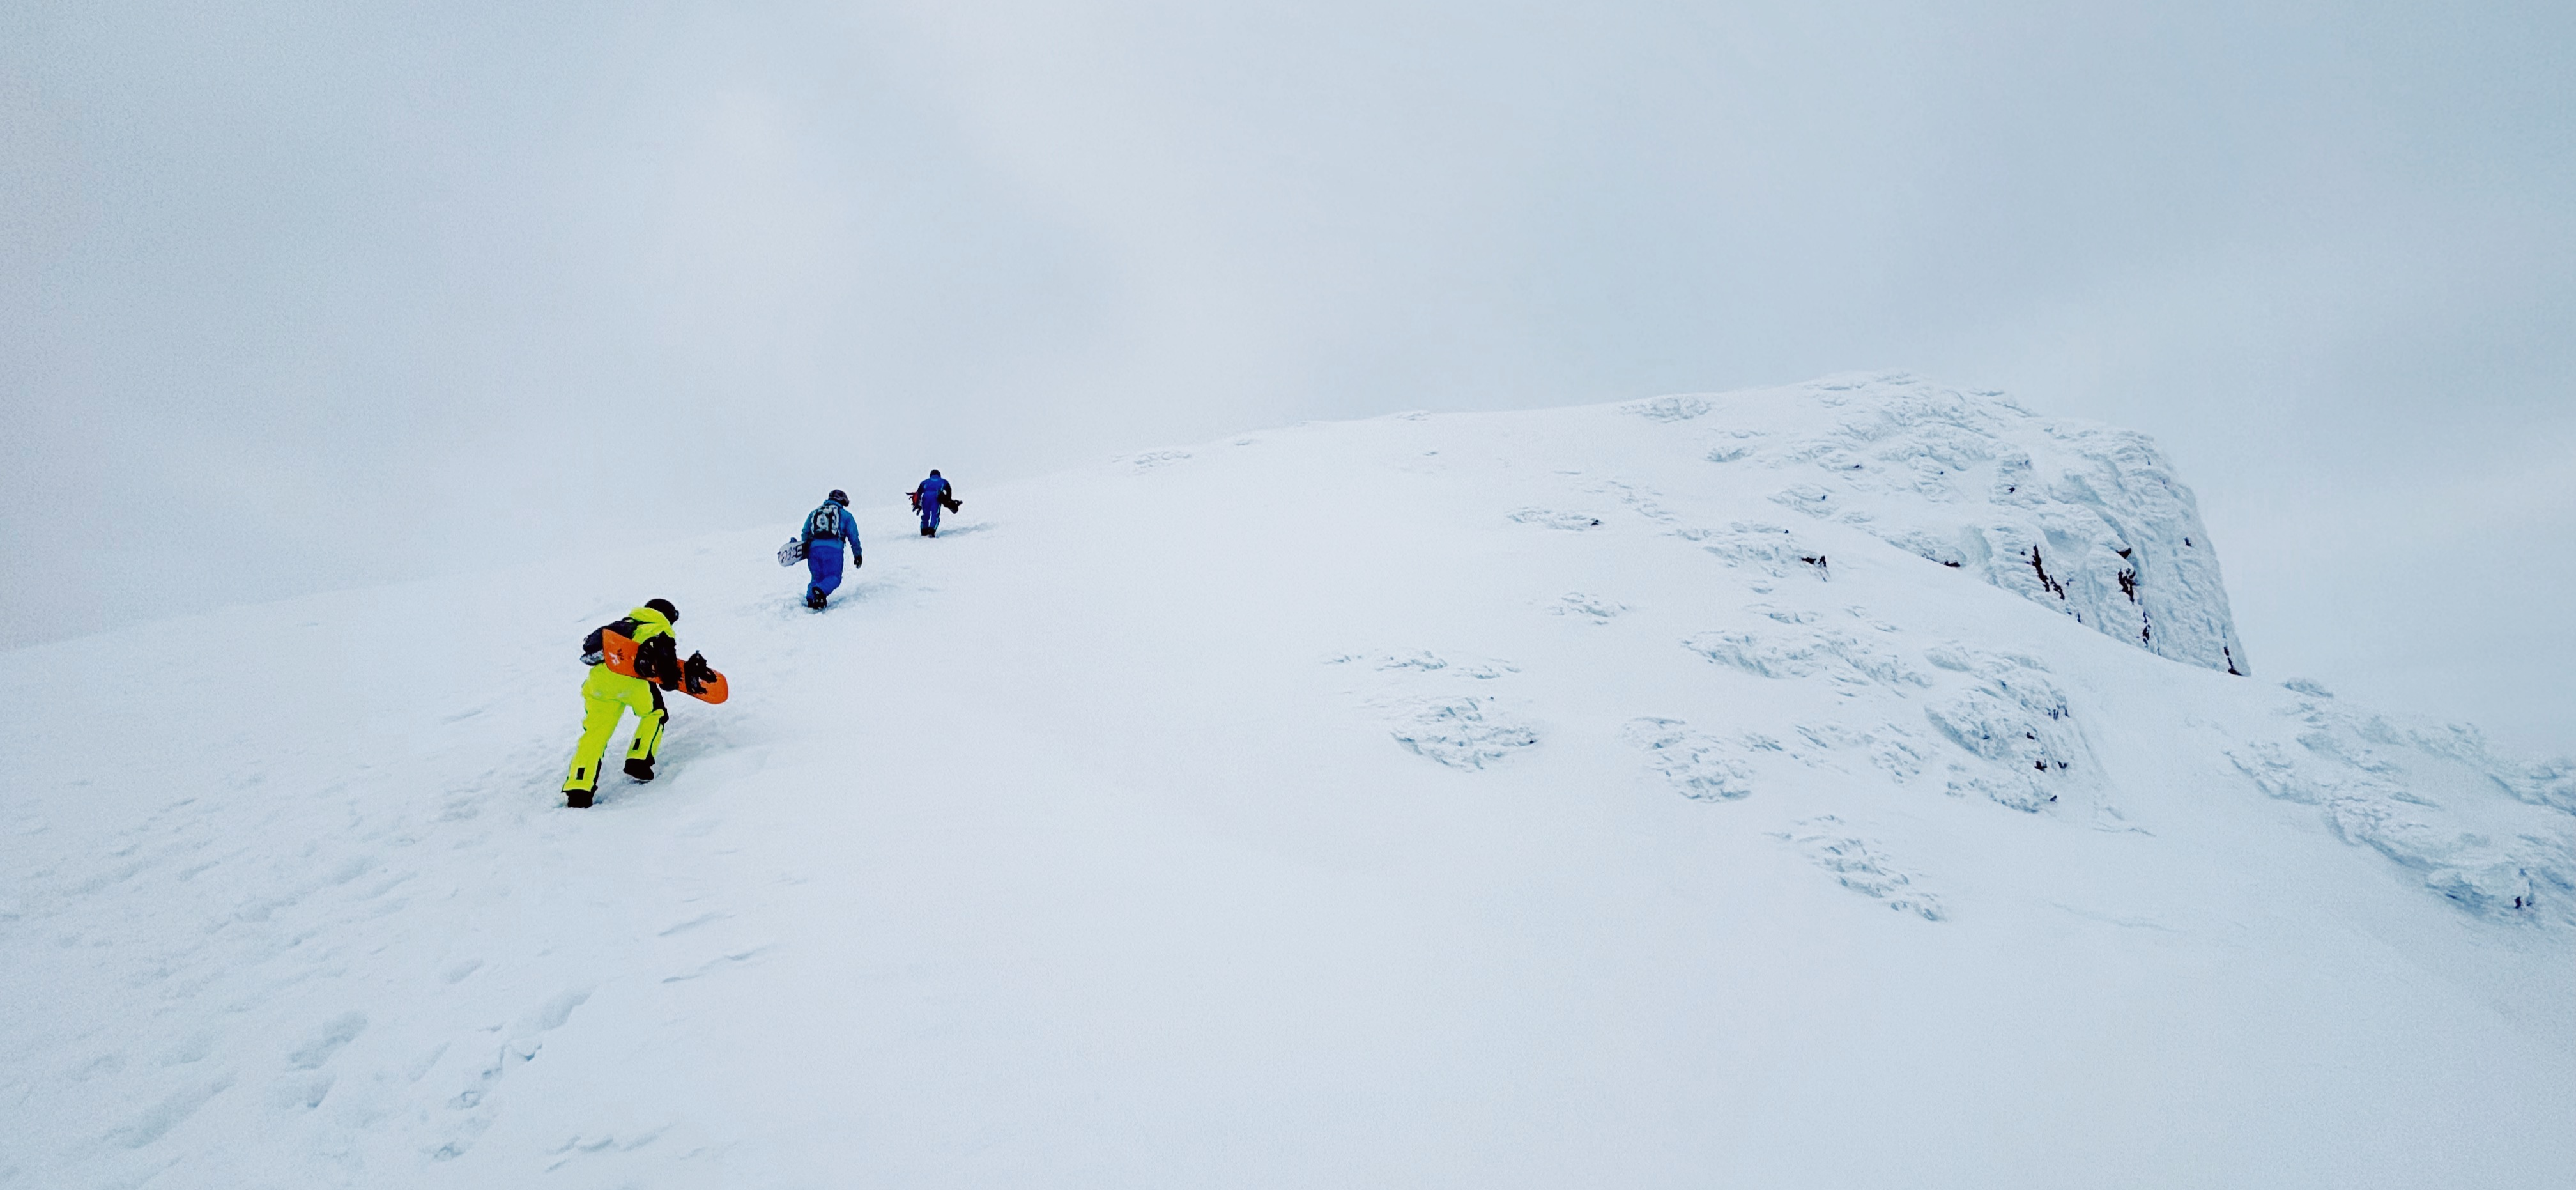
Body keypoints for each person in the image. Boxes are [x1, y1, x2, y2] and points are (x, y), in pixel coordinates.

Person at [562, 598, 713, 808]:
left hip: (597, 683)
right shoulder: (659, 626)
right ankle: (638, 761)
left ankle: (578, 788)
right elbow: (668, 676)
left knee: (594, 735)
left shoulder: (623, 625)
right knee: (655, 714)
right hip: (630, 681)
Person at [801, 490, 864, 610]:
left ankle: (811, 597)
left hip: (814, 550)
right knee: (834, 577)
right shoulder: (846, 516)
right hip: (834, 550)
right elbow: (853, 536)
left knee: (817, 576)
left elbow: (805, 532)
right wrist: (857, 554)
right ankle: (820, 591)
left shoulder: (815, 513)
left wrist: (807, 548)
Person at [910, 469, 960, 537]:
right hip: (936, 498)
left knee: (926, 514)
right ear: (939, 475)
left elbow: (919, 492)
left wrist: (917, 503)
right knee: (935, 514)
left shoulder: (925, 482)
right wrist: (948, 500)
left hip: (925, 498)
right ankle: (932, 529)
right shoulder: (944, 481)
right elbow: (949, 491)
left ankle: (924, 529)